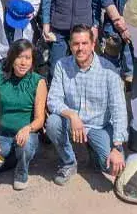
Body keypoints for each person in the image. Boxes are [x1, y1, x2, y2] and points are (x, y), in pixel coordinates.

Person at [44, 25, 128, 184]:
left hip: (99, 126)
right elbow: (53, 99)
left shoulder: (109, 70)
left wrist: (117, 147)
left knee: (113, 168)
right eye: (76, 44)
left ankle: (95, 152)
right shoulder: (62, 65)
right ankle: (69, 162)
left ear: (92, 43)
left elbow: (119, 110)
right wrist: (72, 115)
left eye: (84, 43)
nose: (80, 48)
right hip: (73, 123)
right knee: (53, 123)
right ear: (70, 45)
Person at [0, 40, 48, 191]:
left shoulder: (38, 82)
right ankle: (13, 158)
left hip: (26, 135)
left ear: (32, 61)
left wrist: (27, 128)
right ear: (11, 58)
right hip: (2, 135)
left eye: (28, 58)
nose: (23, 62)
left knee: (24, 146)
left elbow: (40, 119)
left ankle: (21, 170)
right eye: (19, 57)